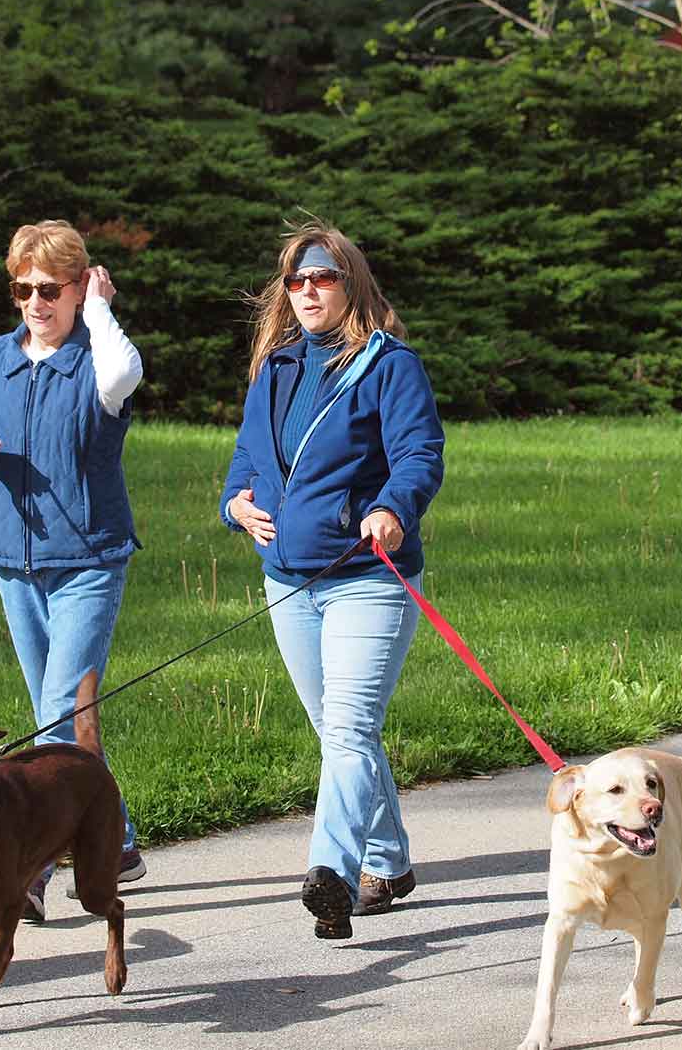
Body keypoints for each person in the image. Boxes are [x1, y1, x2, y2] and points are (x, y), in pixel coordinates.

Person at [219, 219, 445, 940]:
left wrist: (390, 508)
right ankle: (389, 858)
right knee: (338, 731)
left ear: (351, 284)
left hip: (366, 578)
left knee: (348, 728)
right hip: (287, 579)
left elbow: (419, 453)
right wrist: (235, 503)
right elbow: (247, 455)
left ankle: (332, 873)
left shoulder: (389, 364)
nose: (308, 289)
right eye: (296, 279)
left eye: (323, 276)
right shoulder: (277, 367)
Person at [0, 219, 146, 923]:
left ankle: (32, 861)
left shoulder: (98, 356)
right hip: (13, 559)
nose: (35, 301)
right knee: (52, 709)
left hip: (89, 557)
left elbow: (126, 374)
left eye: (49, 288)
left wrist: (97, 306)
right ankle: (112, 836)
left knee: (62, 703)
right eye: (22, 287)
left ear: (76, 286)